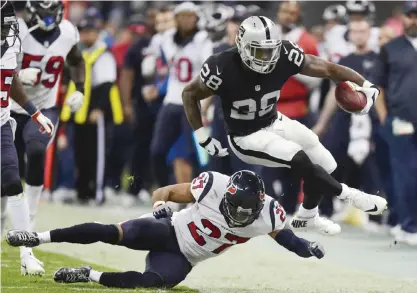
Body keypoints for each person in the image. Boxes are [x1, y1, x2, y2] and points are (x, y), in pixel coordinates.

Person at [181, 15, 387, 236]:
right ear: (242, 46)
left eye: (271, 50)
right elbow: (189, 94)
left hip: (274, 120)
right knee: (298, 157)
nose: (267, 57)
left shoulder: (284, 55)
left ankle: (307, 216)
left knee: (324, 160)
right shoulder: (221, 66)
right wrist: (202, 136)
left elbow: (328, 69)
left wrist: (366, 85)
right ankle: (352, 196)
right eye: (260, 51)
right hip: (246, 136)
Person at [6, 170, 324, 288]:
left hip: (185, 258)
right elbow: (167, 192)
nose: (241, 216)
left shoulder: (268, 213)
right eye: (235, 209)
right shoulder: (212, 185)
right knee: (111, 232)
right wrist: (162, 207)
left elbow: (287, 237)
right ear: (226, 195)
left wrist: (306, 248)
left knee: (151, 283)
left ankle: (88, 274)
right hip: (170, 230)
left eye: (247, 212)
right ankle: (37, 237)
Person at [11, 0, 85, 233]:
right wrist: (18, 75)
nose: (49, 20)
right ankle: (4, 214)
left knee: (35, 150)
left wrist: (80, 89)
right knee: (8, 166)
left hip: (45, 107)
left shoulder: (67, 32)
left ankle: (30, 217)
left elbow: (76, 60)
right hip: (10, 106)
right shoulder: (17, 30)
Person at [0, 0, 54, 275]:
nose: (7, 28)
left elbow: (10, 81)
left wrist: (34, 113)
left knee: (12, 180)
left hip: (0, 125)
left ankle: (26, 254)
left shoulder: (9, 48)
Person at [150, 2, 213, 188]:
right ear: (176, 19)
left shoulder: (203, 40)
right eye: (182, 16)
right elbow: (162, 65)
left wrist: (205, 106)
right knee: (157, 151)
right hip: (171, 101)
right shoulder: (167, 38)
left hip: (194, 103)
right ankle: (164, 191)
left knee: (196, 154)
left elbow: (210, 78)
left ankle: (199, 194)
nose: (186, 20)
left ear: (196, 18)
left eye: (190, 16)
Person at [372, 1, 417, 246]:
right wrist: (384, 118)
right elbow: (378, 87)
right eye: (410, 16)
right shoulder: (390, 48)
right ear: (403, 19)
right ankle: (408, 225)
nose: (414, 20)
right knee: (405, 174)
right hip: (401, 120)